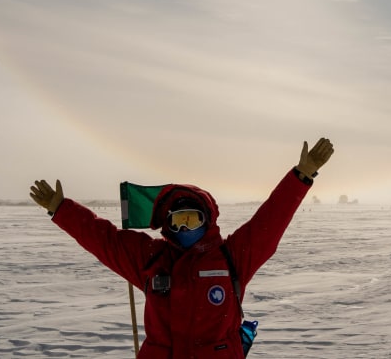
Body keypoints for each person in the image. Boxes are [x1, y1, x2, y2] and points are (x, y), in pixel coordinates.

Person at [29, 137, 334, 358]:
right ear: (167, 223)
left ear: (207, 220)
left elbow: (270, 220)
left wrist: (301, 176)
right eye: (178, 220)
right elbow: (102, 238)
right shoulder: (151, 258)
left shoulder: (232, 257)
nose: (184, 228)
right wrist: (61, 209)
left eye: (191, 219)